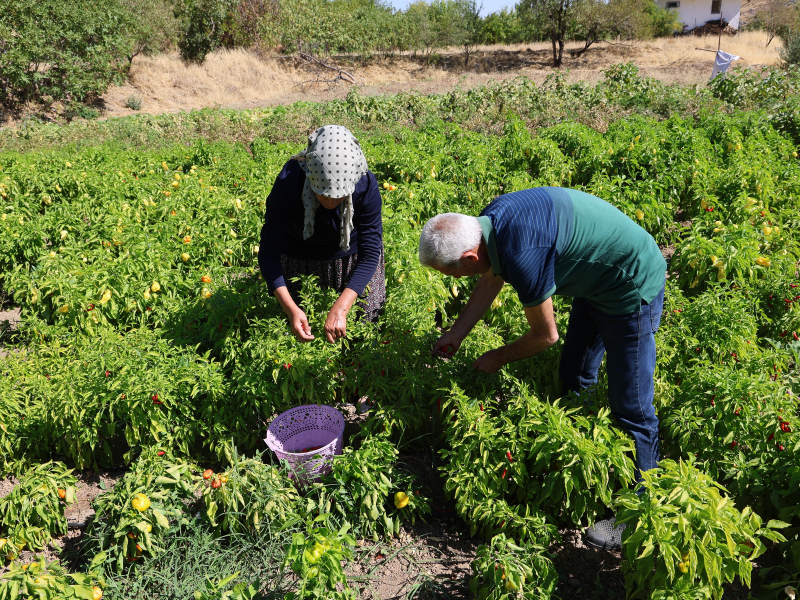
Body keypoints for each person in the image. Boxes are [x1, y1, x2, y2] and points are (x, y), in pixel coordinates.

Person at [417, 186, 666, 551]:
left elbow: (545, 336)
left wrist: (497, 357)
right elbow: (492, 276)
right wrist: (457, 333)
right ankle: (588, 457)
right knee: (575, 373)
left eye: (455, 275)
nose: (458, 281)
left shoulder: (522, 255)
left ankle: (640, 513)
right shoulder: (490, 223)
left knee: (633, 407)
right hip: (597, 278)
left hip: (630, 282)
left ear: (470, 255)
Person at [259, 125, 384, 342]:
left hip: (351, 260)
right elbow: (269, 252)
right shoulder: (290, 181)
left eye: (339, 196)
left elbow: (370, 252)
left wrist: (342, 307)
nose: (330, 203)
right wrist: (290, 309)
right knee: (290, 332)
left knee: (364, 330)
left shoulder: (364, 183)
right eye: (323, 193)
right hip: (298, 260)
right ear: (311, 175)